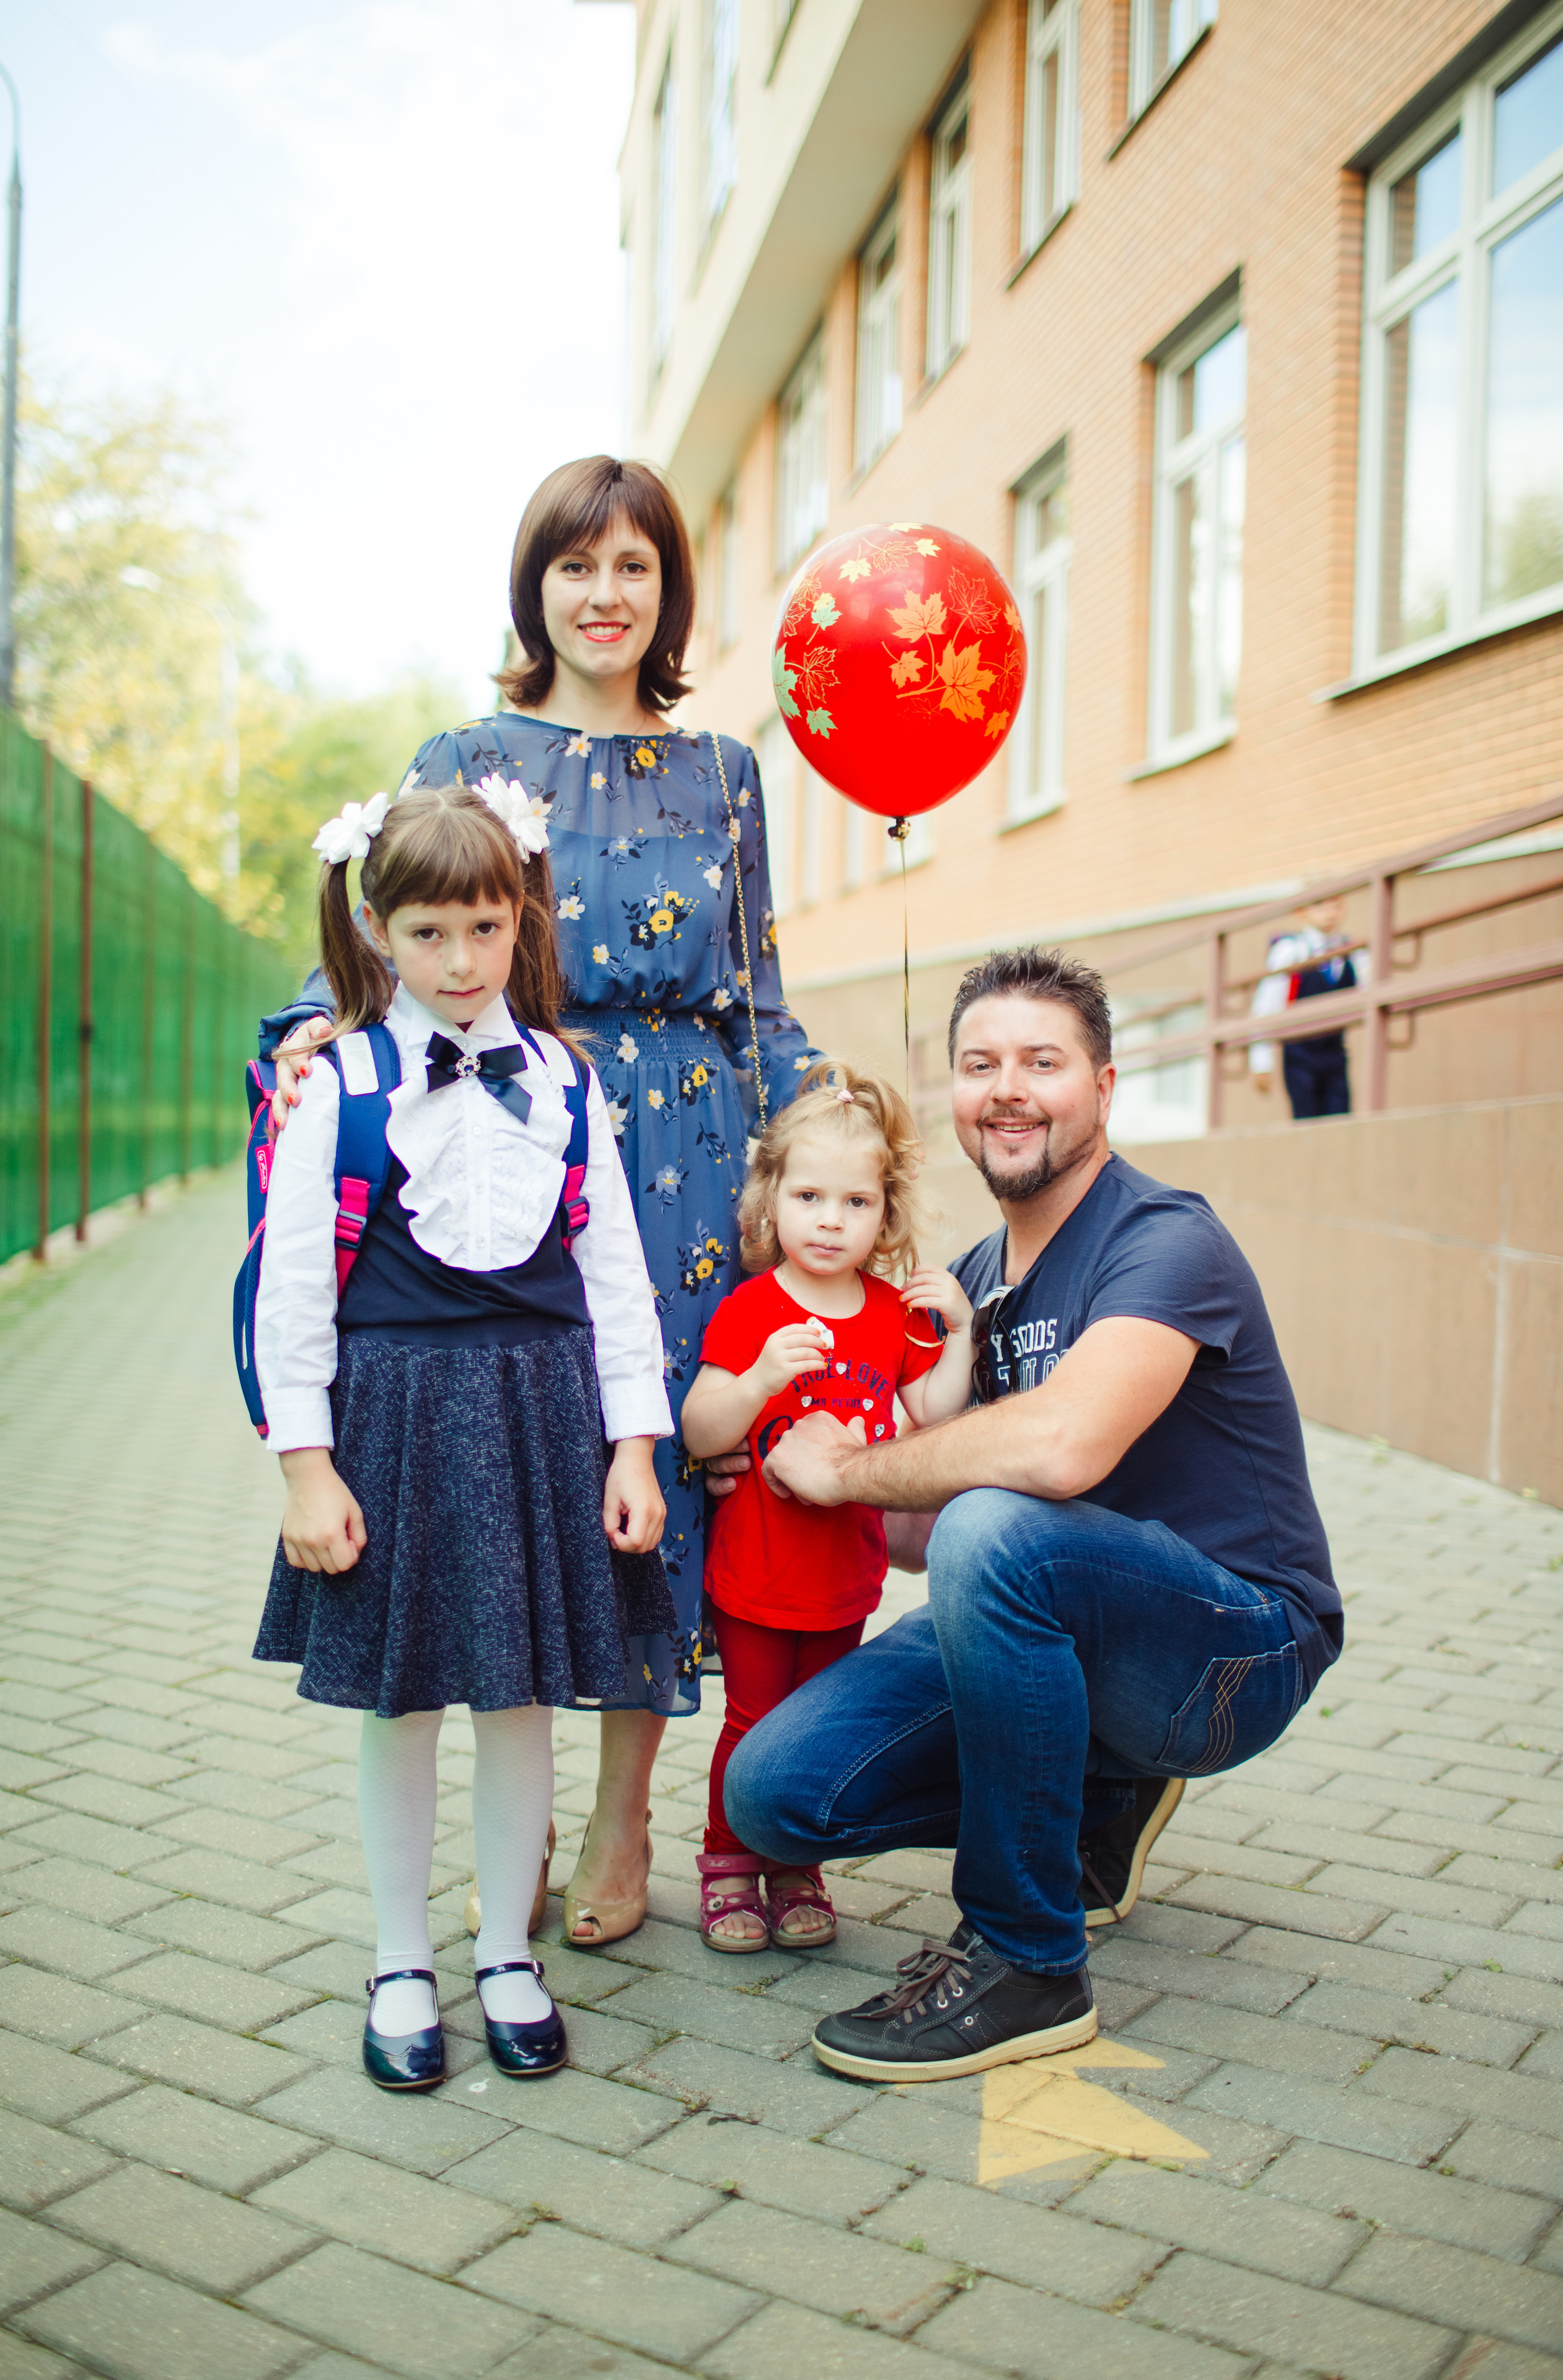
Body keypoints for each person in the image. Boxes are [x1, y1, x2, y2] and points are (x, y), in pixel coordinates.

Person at [259, 456, 822, 1949]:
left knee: (659, 1472)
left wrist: (819, 1136)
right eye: (577, 567)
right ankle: (519, 1781)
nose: (605, 595)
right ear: (535, 589)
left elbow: (757, 989)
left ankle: (626, 1809)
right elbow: (406, 924)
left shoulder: (725, 773)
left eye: (634, 567)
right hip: (507, 1132)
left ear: (667, 591)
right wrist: (317, 1030)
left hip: (691, 1153)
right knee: (517, 1459)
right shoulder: (469, 747)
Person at [719, 946, 1344, 2084]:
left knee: (996, 1532)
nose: (1007, 1088)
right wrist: (783, 1459)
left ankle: (1026, 1959)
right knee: (774, 1794)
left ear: (1102, 1087)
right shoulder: (963, 1288)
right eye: (979, 1063)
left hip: (1231, 1653)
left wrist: (854, 1470)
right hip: (1056, 1623)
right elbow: (914, 1541)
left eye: (1041, 1062)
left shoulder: (1165, 1238)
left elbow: (1063, 1448)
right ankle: (1097, 1799)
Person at [252, 781, 672, 2091]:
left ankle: (504, 1951)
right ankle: (396, 1957)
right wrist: (305, 1465)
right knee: (400, 1702)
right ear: (379, 930)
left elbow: (614, 1270)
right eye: (426, 933)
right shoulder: (340, 1084)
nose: (457, 961)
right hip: (395, 1419)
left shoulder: (561, 1078)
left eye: (483, 929)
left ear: (518, 923)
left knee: (519, 1698)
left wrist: (633, 1446)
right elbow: (294, 1291)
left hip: (541, 1413)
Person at [680, 1062, 974, 1953]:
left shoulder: (892, 1314)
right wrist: (763, 1377)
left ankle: (795, 1866)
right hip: (757, 1576)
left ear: (884, 1215)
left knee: (813, 1731)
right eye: (810, 1196)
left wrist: (961, 1331)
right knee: (750, 1723)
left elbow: (933, 1419)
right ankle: (728, 1864)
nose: (830, 1220)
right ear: (772, 1201)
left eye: (854, 1202)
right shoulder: (751, 1309)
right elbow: (699, 1429)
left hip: (846, 1581)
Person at [1249, 894, 1364, 1118]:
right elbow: (1267, 1005)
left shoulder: (1352, 951)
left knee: (1340, 1120)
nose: (1330, 913)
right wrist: (1261, 1062)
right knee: (1307, 1123)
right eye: (1320, 905)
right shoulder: (1291, 950)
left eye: (1336, 905)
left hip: (1335, 1050)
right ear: (1302, 912)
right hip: (1300, 1053)